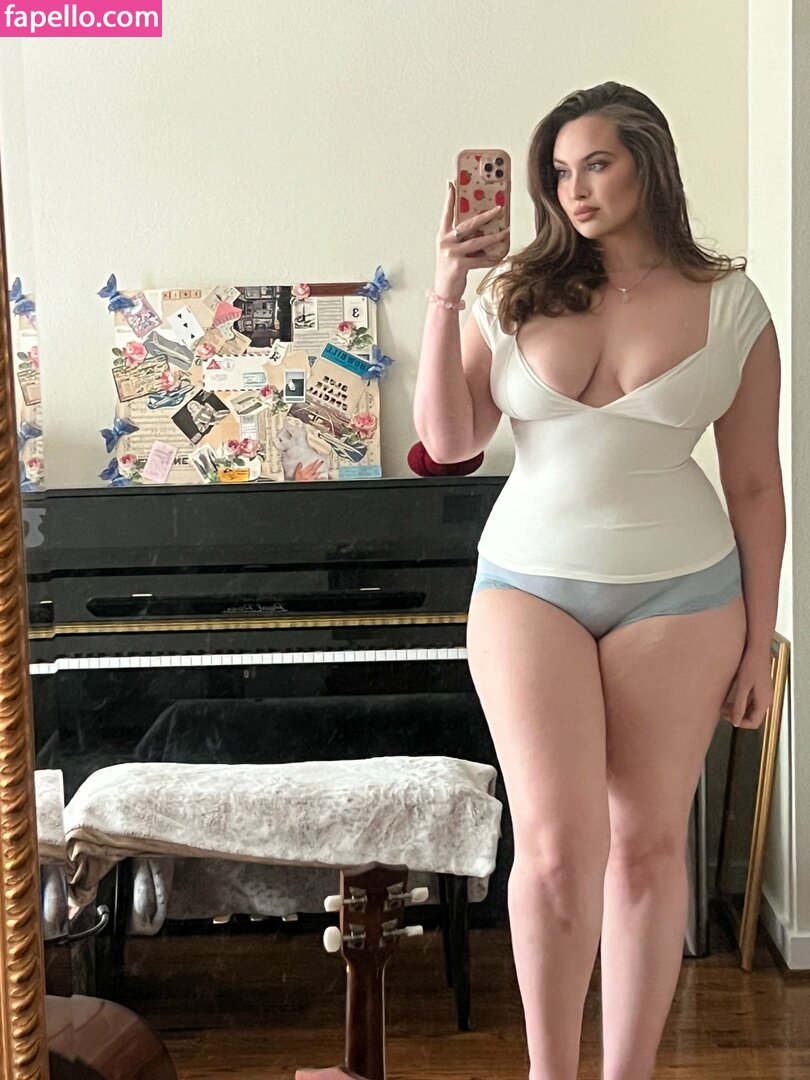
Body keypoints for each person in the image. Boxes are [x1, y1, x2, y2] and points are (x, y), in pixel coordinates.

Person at [413, 81, 785, 1080]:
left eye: (596, 164)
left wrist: (759, 644)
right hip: (527, 589)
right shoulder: (512, 291)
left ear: (648, 163)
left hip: (685, 594)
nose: (573, 188)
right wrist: (446, 288)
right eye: (558, 171)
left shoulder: (734, 305)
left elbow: (755, 485)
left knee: (650, 846)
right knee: (554, 847)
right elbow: (449, 441)